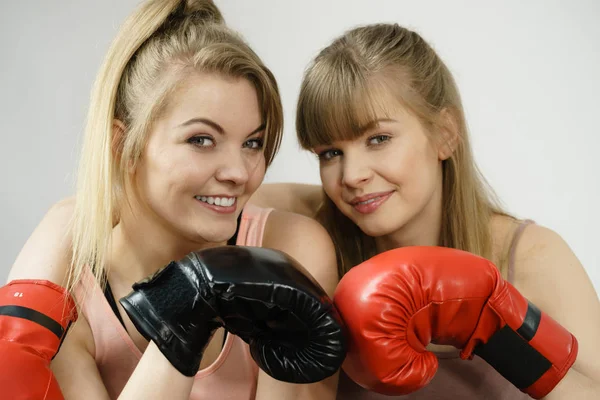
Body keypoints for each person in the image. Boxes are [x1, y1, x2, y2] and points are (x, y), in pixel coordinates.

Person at [1, 1, 343, 399]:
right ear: (123, 144)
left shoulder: (291, 248)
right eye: (201, 140)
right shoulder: (76, 292)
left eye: (253, 142)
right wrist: (183, 316)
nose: (239, 171)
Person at [250, 23, 600, 399]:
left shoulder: (531, 256)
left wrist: (495, 328)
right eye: (330, 153)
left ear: (445, 134)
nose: (351, 177)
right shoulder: (320, 242)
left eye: (378, 139)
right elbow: (233, 200)